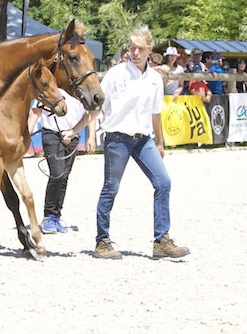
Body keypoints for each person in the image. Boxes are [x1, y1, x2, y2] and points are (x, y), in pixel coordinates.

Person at [63, 27, 190, 260]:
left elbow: (155, 114)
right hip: (117, 139)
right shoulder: (116, 74)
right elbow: (96, 107)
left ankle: (161, 240)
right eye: (132, 48)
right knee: (111, 188)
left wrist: (160, 144)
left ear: (150, 50)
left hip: (143, 140)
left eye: (140, 49)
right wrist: (75, 131)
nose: (135, 52)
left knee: (163, 182)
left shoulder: (154, 79)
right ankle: (102, 241)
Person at [28, 89, 96, 234]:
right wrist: (27, 133)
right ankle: (48, 215)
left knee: (64, 176)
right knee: (57, 174)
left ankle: (56, 215)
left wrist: (91, 137)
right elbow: (36, 111)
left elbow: (90, 113)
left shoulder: (80, 91)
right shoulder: (51, 89)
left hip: (73, 135)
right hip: (52, 135)